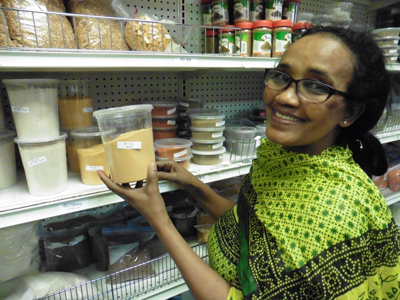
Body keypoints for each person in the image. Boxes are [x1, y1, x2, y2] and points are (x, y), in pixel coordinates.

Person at [97, 26, 400, 299]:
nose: (285, 98)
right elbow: (253, 224)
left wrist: (158, 219)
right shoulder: (283, 156)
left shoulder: (333, 214)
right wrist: (194, 186)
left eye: (316, 86)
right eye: (282, 76)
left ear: (350, 113)